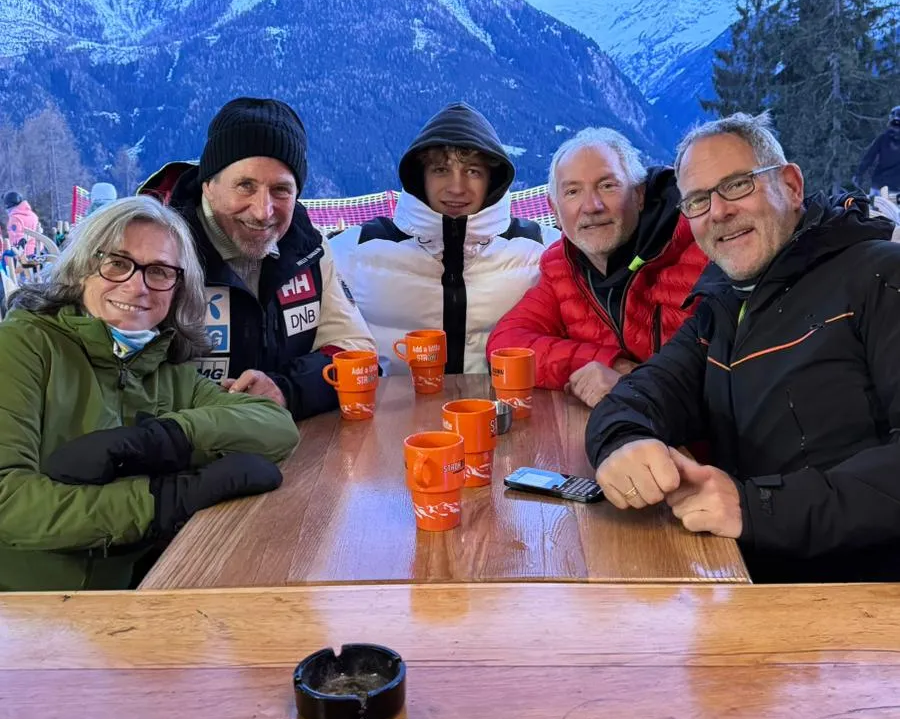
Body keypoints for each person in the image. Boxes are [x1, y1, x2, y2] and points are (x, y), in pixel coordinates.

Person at [585, 111, 900, 584]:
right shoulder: (724, 304)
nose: (718, 212)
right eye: (698, 200)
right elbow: (645, 392)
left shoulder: (879, 276)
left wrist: (758, 508)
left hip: (861, 601)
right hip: (746, 580)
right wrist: (623, 441)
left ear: (790, 186)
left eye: (737, 185)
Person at [0, 195, 298, 592]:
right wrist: (161, 501)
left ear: (178, 288)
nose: (136, 285)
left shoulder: (163, 366)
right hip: (21, 607)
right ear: (82, 268)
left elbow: (276, 426)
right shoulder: (23, 345)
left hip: (128, 598)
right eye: (117, 263)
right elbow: (8, 502)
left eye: (159, 271)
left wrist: (164, 437)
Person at [153, 97, 375, 418]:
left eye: (281, 190)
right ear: (208, 186)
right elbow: (122, 371)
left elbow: (358, 352)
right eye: (245, 185)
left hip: (295, 437)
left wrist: (285, 390)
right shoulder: (158, 250)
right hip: (184, 439)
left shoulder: (308, 249)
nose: (263, 211)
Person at [487, 127, 706, 406]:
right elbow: (505, 346)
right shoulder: (562, 267)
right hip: (615, 427)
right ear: (555, 210)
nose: (591, 206)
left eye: (607, 186)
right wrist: (610, 364)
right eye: (573, 192)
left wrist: (638, 385)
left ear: (639, 195)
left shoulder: (700, 248)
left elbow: (734, 379)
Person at [330, 102, 552, 374]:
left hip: (506, 400)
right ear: (420, 177)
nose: (456, 187)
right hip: (395, 402)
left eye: (473, 171)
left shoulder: (543, 249)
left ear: (492, 181)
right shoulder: (352, 251)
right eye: (441, 170)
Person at [857, 106, 900, 197]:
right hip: (891, 187)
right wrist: (859, 174)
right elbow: (869, 157)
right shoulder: (883, 138)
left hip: (880, 184)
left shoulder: (883, 138)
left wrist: (859, 174)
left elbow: (869, 157)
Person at [4, 191, 40, 258]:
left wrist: (15, 251)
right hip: (38, 250)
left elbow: (17, 236)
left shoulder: (15, 218)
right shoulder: (33, 215)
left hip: (24, 255)